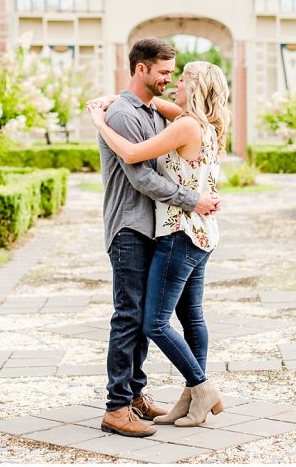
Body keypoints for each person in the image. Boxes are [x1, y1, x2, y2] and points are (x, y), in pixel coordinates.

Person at [90, 38, 222, 439]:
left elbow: (175, 124)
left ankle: (135, 395)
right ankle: (116, 406)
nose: (169, 79)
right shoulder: (126, 116)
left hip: (160, 229)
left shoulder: (154, 111)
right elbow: (141, 174)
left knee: (149, 314)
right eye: (163, 72)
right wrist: (193, 199)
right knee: (131, 316)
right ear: (141, 68)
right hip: (130, 227)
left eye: (175, 74)